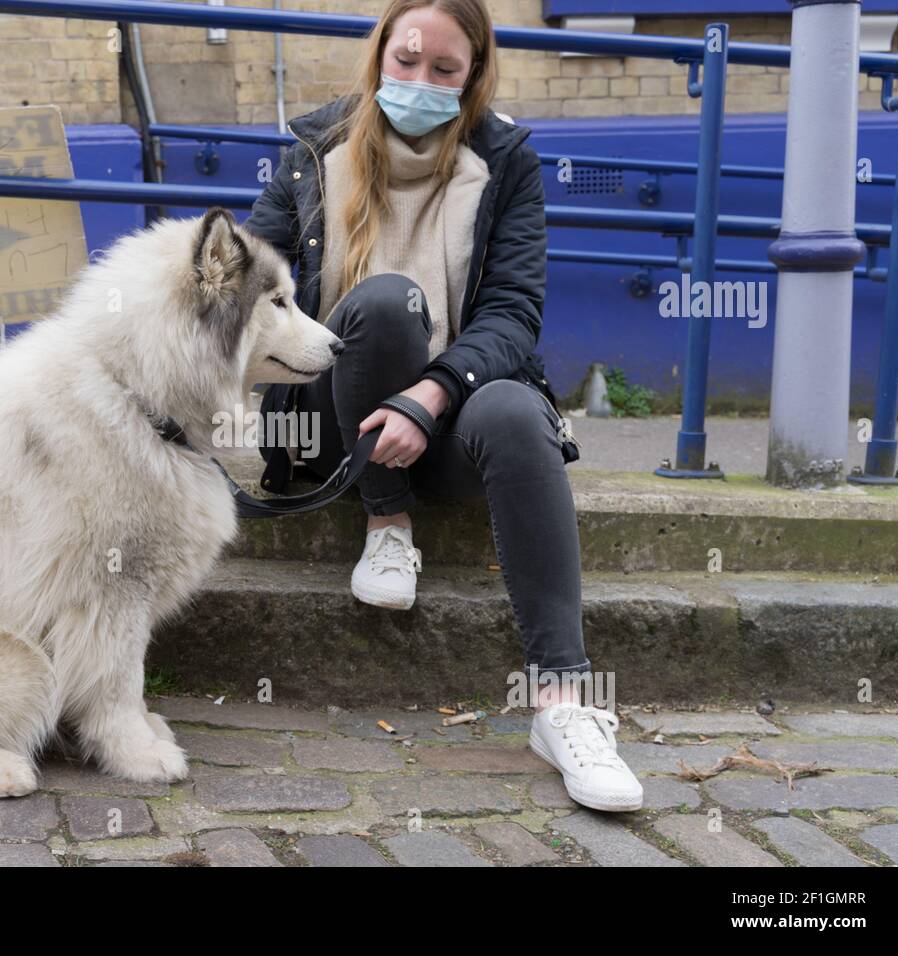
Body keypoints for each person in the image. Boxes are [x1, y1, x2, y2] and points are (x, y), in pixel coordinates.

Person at [243, 0, 643, 811]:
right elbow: (249, 290)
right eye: (406, 61)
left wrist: (432, 395)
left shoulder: (507, 161)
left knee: (514, 413)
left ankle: (562, 704)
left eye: (445, 70)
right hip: (332, 432)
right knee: (388, 302)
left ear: (474, 75)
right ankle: (386, 526)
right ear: (379, 58)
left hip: (447, 424)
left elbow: (512, 317)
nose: (420, 81)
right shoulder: (310, 152)